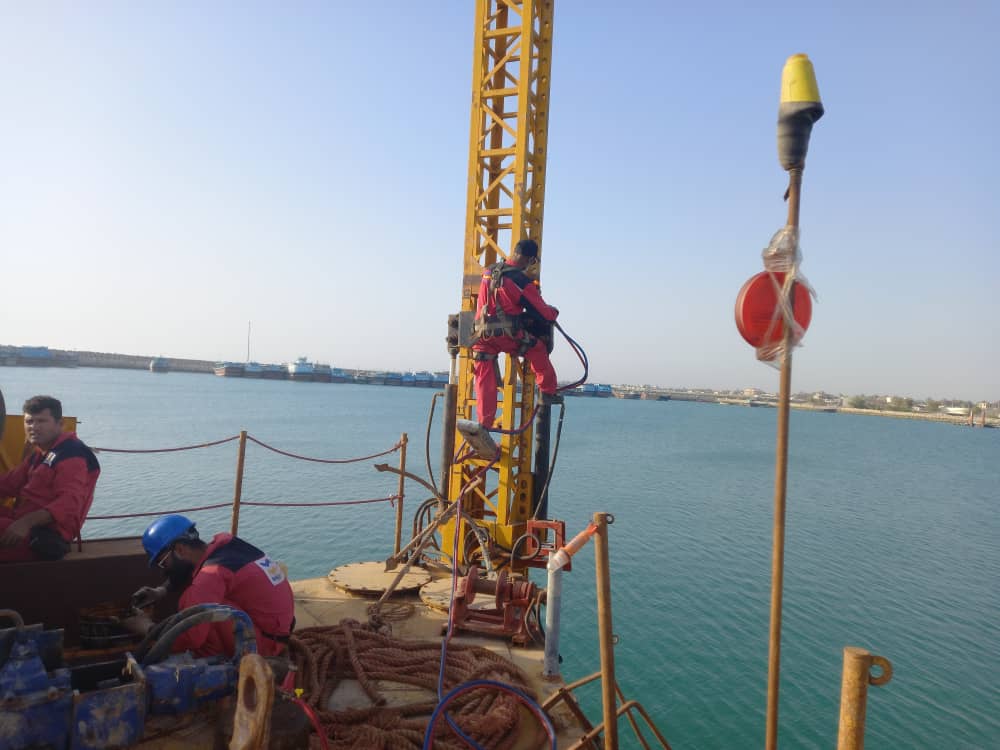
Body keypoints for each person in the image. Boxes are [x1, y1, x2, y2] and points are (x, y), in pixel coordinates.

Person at [129, 514, 295, 658]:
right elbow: (188, 571)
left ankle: (218, 664)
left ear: (180, 549)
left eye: (163, 563)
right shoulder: (225, 544)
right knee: (199, 600)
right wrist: (160, 591)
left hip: (265, 646)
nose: (163, 571)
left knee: (197, 610)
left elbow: (189, 638)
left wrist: (147, 628)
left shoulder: (210, 577)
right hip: (277, 628)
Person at [471, 238, 560, 427]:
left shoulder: (489, 271)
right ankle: (547, 391)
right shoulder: (521, 281)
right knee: (538, 349)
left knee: (484, 376)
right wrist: (553, 313)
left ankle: (483, 425)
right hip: (507, 335)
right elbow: (544, 313)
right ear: (530, 259)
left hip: (481, 335)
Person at [0, 395, 100, 562]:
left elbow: (69, 504)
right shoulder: (41, 454)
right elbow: (9, 483)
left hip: (45, 537)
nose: (34, 427)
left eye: (41, 421)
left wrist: (25, 523)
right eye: (29, 422)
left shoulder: (72, 455)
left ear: (60, 424)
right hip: (22, 521)